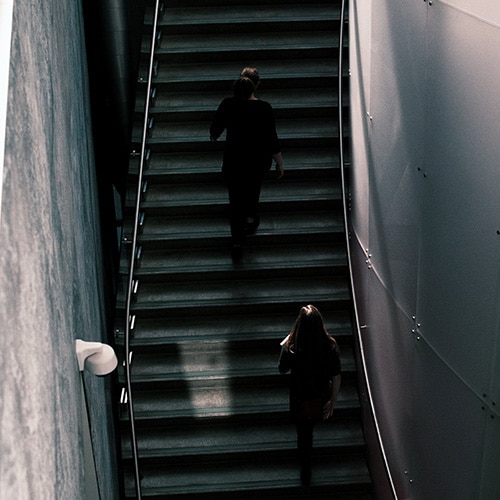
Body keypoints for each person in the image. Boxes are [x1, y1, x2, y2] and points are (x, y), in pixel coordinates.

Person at [210, 68, 284, 258]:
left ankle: (236, 241)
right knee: (252, 192)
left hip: (234, 161)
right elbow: (271, 139)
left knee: (234, 201)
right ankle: (251, 218)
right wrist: (279, 163)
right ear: (255, 86)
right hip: (257, 162)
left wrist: (215, 135)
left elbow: (215, 129)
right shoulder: (264, 108)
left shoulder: (228, 104)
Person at [278, 305, 342, 486]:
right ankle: (306, 463)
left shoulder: (292, 347)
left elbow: (282, 369)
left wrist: (286, 344)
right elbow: (336, 375)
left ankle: (304, 465)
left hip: (299, 397)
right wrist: (332, 401)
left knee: (303, 431)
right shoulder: (329, 346)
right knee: (310, 426)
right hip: (319, 396)